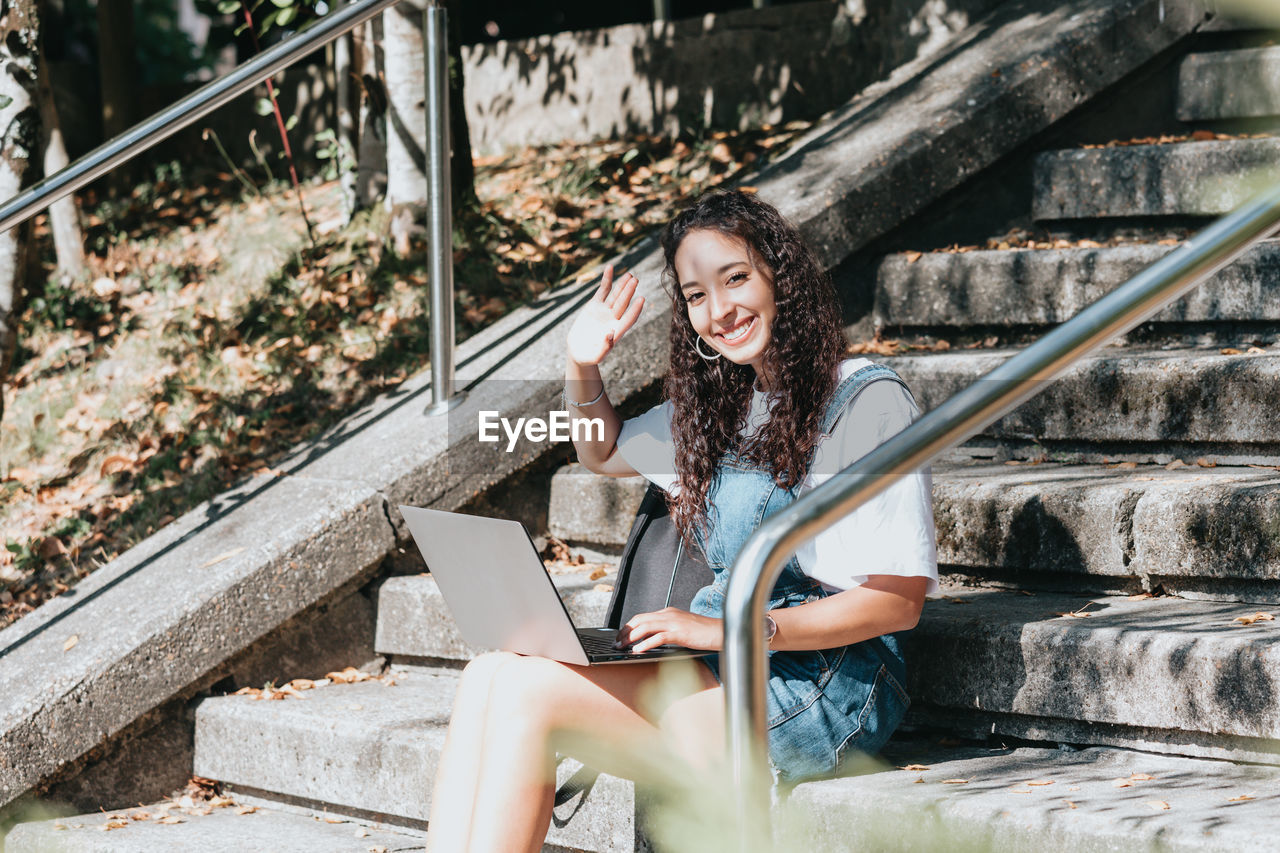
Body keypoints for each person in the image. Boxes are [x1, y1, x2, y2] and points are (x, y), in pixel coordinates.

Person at [424, 190, 937, 853]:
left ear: (780, 274)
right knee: (491, 674)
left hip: (826, 683)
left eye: (735, 279)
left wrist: (736, 627)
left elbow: (897, 602)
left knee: (528, 695)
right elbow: (601, 449)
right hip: (723, 663)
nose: (719, 310)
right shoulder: (725, 404)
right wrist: (582, 364)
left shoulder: (865, 401)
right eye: (696, 295)